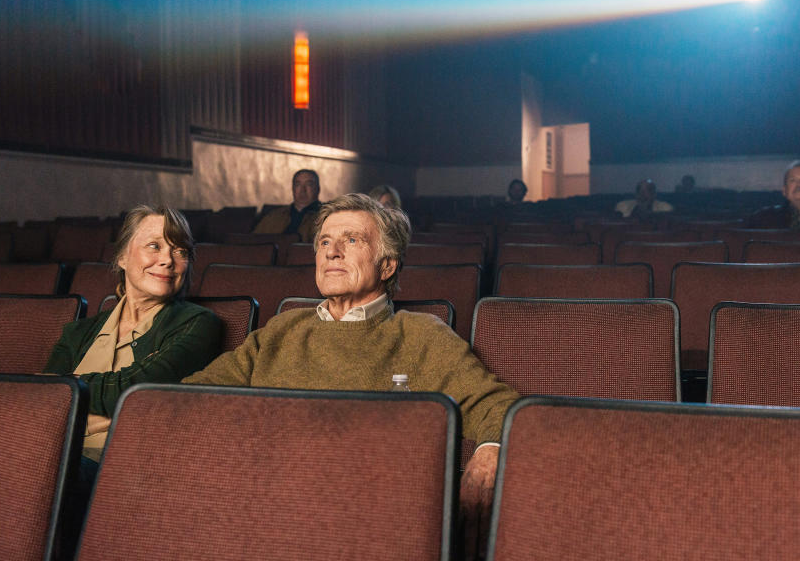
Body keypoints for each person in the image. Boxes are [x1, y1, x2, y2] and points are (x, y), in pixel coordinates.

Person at [183, 193, 518, 555]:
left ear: (387, 266)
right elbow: (192, 396)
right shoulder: (283, 329)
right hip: (266, 507)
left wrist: (491, 449)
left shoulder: (422, 335)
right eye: (325, 241)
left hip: (365, 519)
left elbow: (498, 408)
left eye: (352, 240)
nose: (332, 252)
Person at [44, 205, 224, 462]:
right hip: (50, 452)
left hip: (122, 462)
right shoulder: (78, 332)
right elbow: (42, 398)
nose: (168, 260)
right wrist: (99, 416)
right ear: (123, 257)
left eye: (180, 250)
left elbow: (133, 391)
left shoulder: (198, 323)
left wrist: (72, 410)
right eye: (154, 245)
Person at [252, 168, 322, 240]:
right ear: (293, 188)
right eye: (298, 184)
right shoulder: (274, 216)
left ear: (318, 189)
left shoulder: (325, 216)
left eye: (309, 185)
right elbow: (253, 240)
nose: (303, 190)